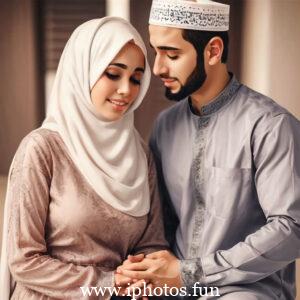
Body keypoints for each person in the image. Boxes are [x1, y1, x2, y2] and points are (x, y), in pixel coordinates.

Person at [117, 0, 300, 299]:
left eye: (172, 54)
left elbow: (291, 228)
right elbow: (161, 222)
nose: (158, 67)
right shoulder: (165, 126)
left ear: (213, 51)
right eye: (156, 51)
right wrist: (141, 267)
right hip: (174, 288)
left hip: (247, 290)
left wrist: (192, 273)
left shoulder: (270, 126)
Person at [0, 16, 168, 299]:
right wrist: (107, 281)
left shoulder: (140, 154)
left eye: (136, 78)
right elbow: (23, 260)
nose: (127, 90)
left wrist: (140, 278)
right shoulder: (42, 149)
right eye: (113, 74)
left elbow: (151, 243)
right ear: (83, 71)